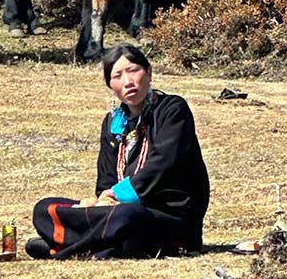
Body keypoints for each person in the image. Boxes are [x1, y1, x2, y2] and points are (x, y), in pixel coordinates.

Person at [26, 44, 209, 259]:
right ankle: (94, 244)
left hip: (168, 216)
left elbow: (163, 164)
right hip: (119, 216)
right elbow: (106, 181)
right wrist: (99, 202)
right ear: (110, 85)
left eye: (133, 71)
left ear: (148, 72)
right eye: (118, 76)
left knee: (126, 215)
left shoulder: (172, 110)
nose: (128, 82)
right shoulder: (113, 123)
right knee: (45, 208)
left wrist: (119, 195)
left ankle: (66, 246)